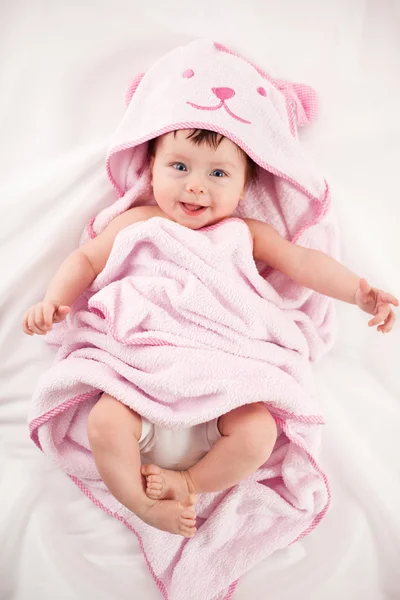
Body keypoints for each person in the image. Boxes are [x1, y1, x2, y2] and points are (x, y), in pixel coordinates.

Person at [21, 128, 398, 539]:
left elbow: (304, 262)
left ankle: (190, 483)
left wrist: (359, 293)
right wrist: (53, 300)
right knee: (104, 421)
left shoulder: (245, 233)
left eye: (219, 174)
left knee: (260, 430)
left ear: (244, 188)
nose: (196, 185)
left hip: (219, 398)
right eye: (179, 167)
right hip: (141, 387)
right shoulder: (140, 221)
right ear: (151, 171)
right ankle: (141, 502)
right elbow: (86, 260)